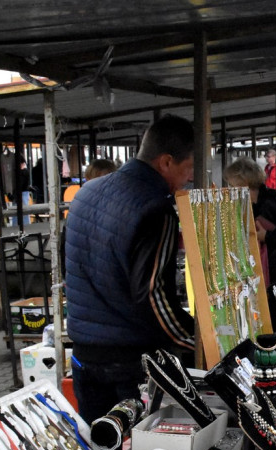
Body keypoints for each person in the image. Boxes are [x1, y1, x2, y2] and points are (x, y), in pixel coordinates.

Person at [65, 114, 196, 423]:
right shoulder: (155, 207)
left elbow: (70, 265)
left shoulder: (85, 193)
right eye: (187, 168)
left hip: (84, 354)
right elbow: (152, 294)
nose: (189, 178)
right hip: (129, 361)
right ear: (165, 162)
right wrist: (194, 340)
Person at [224, 156, 276, 284]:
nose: (229, 188)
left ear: (242, 182)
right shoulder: (247, 205)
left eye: (231, 184)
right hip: (265, 269)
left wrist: (268, 236)